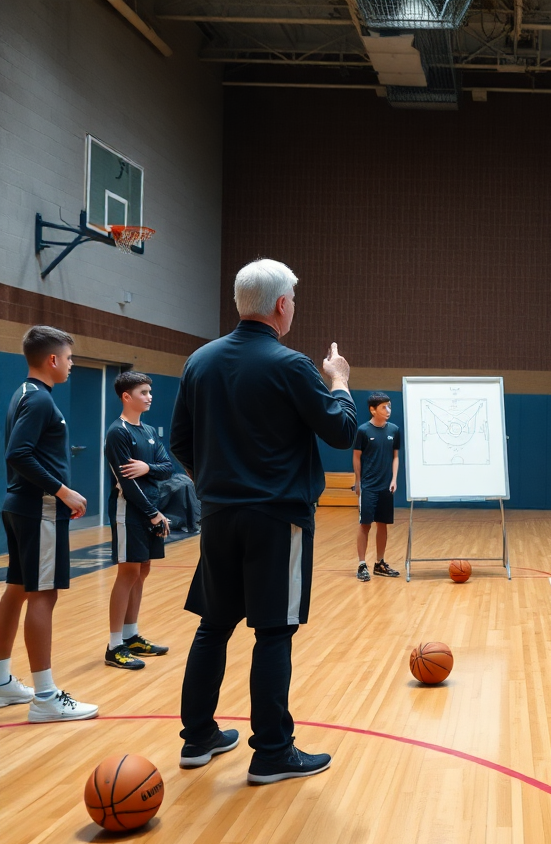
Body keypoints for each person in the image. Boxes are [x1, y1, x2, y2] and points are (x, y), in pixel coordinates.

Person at [172, 259, 357, 783]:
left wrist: (219, 484)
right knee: (274, 632)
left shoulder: (199, 362)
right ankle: (273, 750)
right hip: (278, 520)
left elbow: (181, 442)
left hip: (219, 516)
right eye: (293, 300)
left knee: (215, 625)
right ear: (281, 305)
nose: (294, 307)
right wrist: (339, 382)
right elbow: (343, 432)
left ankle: (197, 736)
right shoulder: (292, 365)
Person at [0, 326, 96, 721]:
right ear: (53, 360)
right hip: (37, 508)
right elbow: (18, 454)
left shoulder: (23, 393)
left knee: (18, 589)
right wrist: (64, 491)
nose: (72, 366)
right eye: (70, 359)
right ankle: (45, 698)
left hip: (19, 505)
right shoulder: (39, 400)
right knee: (44, 594)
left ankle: (3, 683)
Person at [104, 370, 174, 670]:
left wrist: (147, 467)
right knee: (128, 573)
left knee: (142, 571)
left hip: (149, 511)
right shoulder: (117, 432)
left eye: (150, 392)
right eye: (143, 392)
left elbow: (168, 467)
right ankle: (114, 645)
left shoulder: (147, 431)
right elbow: (126, 483)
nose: (150, 397)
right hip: (129, 511)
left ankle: (132, 636)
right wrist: (153, 513)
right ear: (126, 396)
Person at [352, 392, 402, 581]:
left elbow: (395, 457)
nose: (388, 410)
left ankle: (380, 563)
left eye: (389, 406)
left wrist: (394, 479)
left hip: (385, 487)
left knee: (383, 525)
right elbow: (356, 457)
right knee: (365, 524)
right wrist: (358, 482)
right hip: (369, 487)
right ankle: (361, 564)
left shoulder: (394, 430)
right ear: (372, 410)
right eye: (384, 407)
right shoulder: (363, 431)